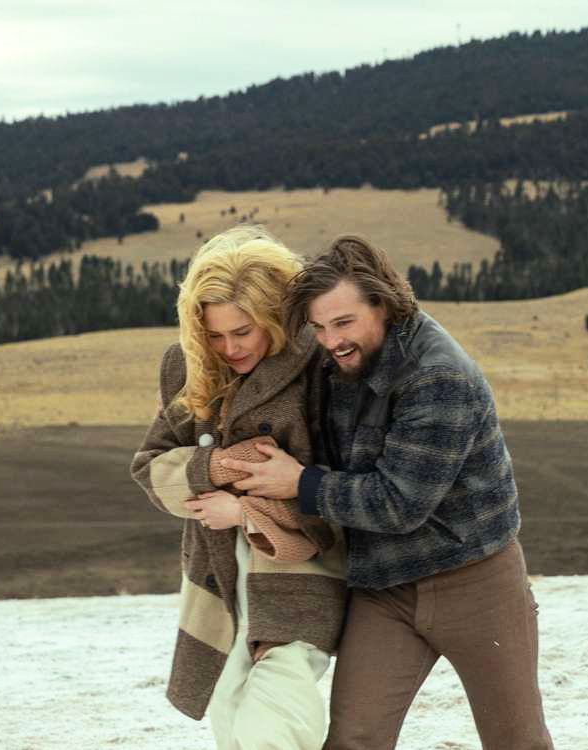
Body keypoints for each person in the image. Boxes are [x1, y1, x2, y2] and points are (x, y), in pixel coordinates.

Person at [221, 235, 554, 750]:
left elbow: (399, 504)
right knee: (354, 739)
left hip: (476, 583)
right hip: (385, 587)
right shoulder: (334, 359)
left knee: (517, 742)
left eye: (344, 323)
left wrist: (299, 483)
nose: (331, 341)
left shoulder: (438, 376)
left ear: (385, 304)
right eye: (319, 326)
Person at [128, 226, 348, 749]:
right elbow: (151, 470)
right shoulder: (185, 364)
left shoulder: (319, 367)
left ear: (273, 315)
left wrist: (247, 513)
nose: (228, 348)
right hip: (217, 577)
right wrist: (224, 465)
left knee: (270, 727)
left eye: (243, 332)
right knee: (229, 722)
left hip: (299, 572)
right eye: (215, 334)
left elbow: (340, 490)